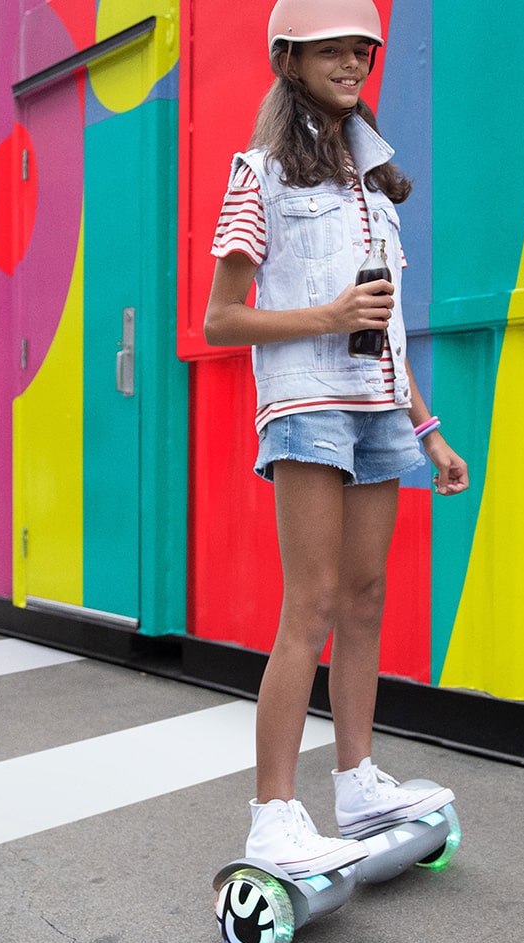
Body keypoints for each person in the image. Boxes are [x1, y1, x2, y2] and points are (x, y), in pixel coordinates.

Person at [204, 0, 469, 879]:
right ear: (290, 59)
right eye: (334, 49)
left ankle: (356, 781)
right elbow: (222, 319)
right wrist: (326, 314)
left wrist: (426, 430)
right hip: (306, 405)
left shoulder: (371, 181)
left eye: (363, 48)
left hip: (380, 409)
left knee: (365, 597)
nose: (354, 61)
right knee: (310, 604)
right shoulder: (261, 175)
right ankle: (273, 816)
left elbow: (383, 328)